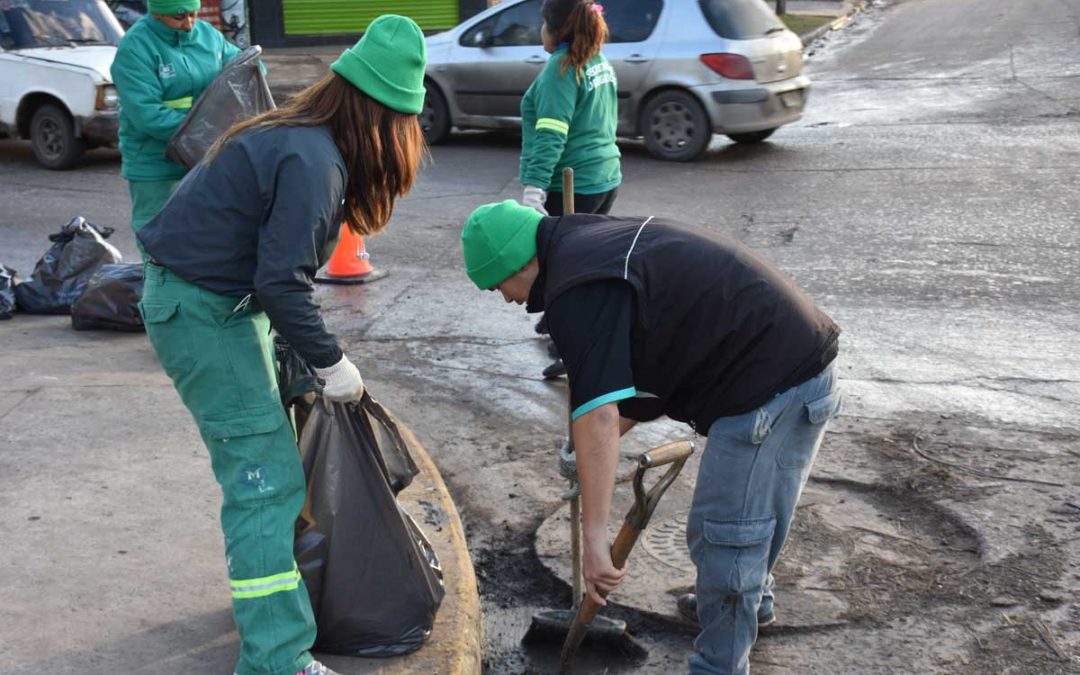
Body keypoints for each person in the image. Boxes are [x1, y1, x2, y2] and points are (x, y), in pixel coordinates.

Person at [134, 16, 427, 675]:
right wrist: (329, 361)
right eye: (409, 127)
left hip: (219, 299)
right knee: (263, 480)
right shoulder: (314, 161)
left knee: (268, 465)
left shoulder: (304, 140)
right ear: (383, 119)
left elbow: (269, 272)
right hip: (204, 312)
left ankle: (264, 593)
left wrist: (304, 362)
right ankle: (275, 655)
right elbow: (280, 279)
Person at [461, 201, 843, 675]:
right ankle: (751, 601)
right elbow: (637, 379)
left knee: (726, 535)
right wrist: (582, 450)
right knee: (750, 518)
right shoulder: (589, 246)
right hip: (791, 361)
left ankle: (719, 664)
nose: (505, 299)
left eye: (498, 284)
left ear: (518, 263)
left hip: (769, 385)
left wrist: (595, 537)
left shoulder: (575, 290)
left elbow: (598, 414)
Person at [110, 0, 241, 259]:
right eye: (179, 17)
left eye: (192, 14)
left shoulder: (208, 36)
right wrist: (206, 133)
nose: (189, 23)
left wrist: (253, 69)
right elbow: (147, 115)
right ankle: (159, 298)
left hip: (202, 157)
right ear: (156, 13)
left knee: (205, 237)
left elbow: (241, 64)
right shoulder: (135, 48)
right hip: (156, 164)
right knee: (159, 242)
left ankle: (195, 298)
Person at [520, 0, 621, 217]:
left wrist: (534, 189)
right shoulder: (596, 58)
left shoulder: (561, 69)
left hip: (571, 187)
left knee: (556, 251)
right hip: (605, 178)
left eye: (544, 22)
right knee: (588, 250)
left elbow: (551, 134)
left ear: (556, 29)